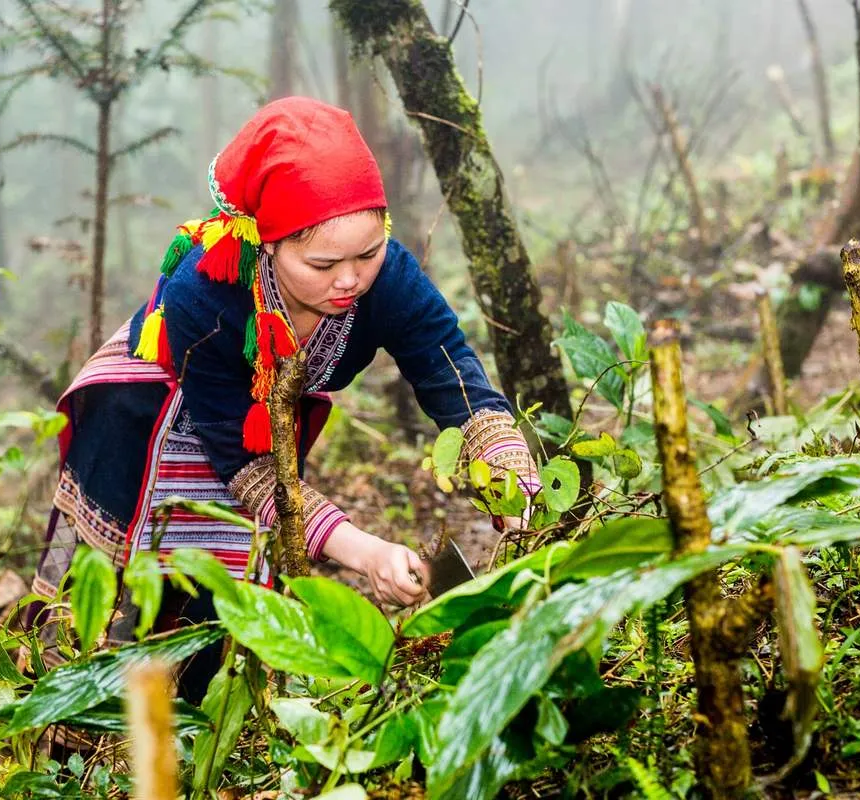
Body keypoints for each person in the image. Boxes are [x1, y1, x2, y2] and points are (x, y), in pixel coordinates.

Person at [29, 96, 540, 701]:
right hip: (148, 422)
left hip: (254, 428)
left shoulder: (391, 280)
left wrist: (511, 478)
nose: (349, 280)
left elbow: (448, 367)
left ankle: (217, 732)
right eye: (323, 263)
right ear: (268, 244)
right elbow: (246, 465)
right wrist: (362, 550)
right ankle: (94, 749)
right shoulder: (207, 292)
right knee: (132, 597)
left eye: (368, 253)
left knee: (227, 606)